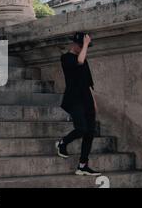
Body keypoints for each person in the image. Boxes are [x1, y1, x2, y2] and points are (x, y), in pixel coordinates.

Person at [56, 32, 102, 176]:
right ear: (75, 44)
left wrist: (94, 101)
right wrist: (86, 44)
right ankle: (63, 143)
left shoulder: (84, 59)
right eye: (82, 45)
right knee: (81, 128)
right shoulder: (66, 58)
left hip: (86, 98)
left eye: (85, 46)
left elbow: (88, 83)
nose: (84, 48)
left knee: (90, 133)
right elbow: (79, 61)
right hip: (73, 99)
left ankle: (83, 165)